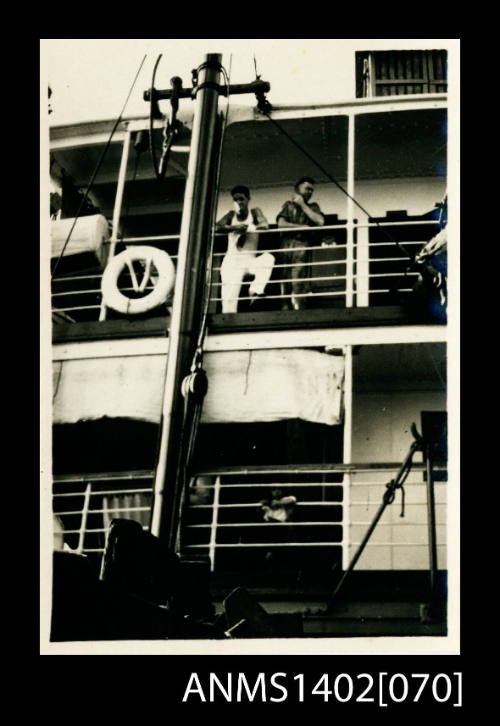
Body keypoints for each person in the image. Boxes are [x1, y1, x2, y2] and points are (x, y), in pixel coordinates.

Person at [216, 186, 274, 313]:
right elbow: (217, 227)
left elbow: (265, 226)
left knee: (268, 258)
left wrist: (248, 228)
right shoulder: (231, 215)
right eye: (235, 199)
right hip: (233, 261)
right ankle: (228, 319)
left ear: (248, 199)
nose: (238, 202)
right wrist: (234, 228)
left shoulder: (254, 212)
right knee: (229, 296)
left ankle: (255, 292)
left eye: (241, 199)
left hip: (249, 260)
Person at [276, 176, 325, 310]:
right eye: (307, 189)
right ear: (298, 190)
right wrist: (301, 227)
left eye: (312, 190)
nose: (310, 192)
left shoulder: (313, 207)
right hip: (286, 245)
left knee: (298, 278)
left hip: (301, 245)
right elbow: (281, 224)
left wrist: (303, 204)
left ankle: (297, 307)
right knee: (284, 278)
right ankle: (285, 308)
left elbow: (320, 221)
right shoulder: (288, 206)